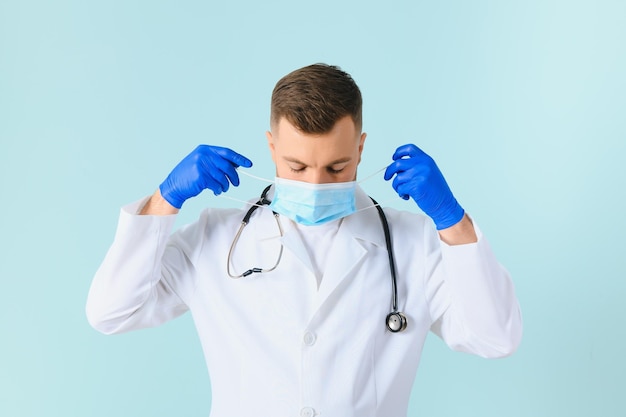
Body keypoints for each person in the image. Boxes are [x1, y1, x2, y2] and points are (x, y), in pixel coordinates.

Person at [86, 63, 522, 417]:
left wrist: (453, 221)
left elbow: (496, 338)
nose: (315, 184)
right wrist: (165, 201)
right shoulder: (216, 239)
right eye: (296, 167)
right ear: (272, 147)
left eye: (336, 168)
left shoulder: (414, 246)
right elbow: (111, 313)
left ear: (362, 148)